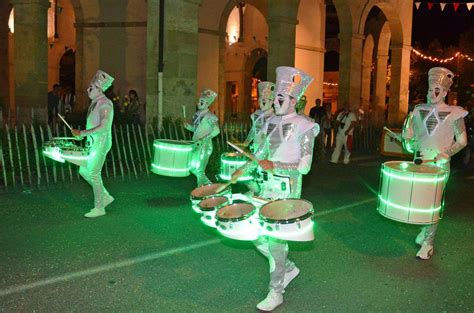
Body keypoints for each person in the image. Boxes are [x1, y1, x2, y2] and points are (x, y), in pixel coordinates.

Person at [233, 66, 318, 311]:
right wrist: (243, 171)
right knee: (256, 236)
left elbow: (304, 166)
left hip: (287, 188)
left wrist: (276, 164)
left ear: (294, 100)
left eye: (282, 97)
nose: (277, 101)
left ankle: (276, 291)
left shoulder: (306, 126)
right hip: (265, 186)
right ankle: (288, 268)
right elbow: (259, 153)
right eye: (276, 97)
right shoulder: (268, 122)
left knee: (275, 240)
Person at [402, 67, 467, 260]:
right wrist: (408, 141)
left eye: (436, 90)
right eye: (430, 90)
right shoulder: (418, 109)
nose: (432, 94)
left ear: (446, 92)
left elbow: (462, 141)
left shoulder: (455, 113)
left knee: (433, 204)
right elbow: (410, 137)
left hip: (438, 166)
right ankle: (424, 230)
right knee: (419, 201)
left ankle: (428, 243)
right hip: (419, 162)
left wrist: (447, 153)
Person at [71, 70, 115, 218]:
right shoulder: (96, 103)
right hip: (93, 142)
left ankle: (99, 207)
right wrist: (81, 136)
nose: (88, 89)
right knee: (84, 171)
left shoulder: (105, 104)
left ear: (99, 89)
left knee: (94, 174)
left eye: (91, 87)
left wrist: (82, 133)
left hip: (101, 143)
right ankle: (106, 196)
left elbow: (105, 126)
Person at [185, 89, 220, 186]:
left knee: (199, 169)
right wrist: (189, 127)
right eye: (199, 101)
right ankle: (208, 186)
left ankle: (202, 189)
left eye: (202, 101)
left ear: (208, 103)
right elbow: (196, 130)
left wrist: (205, 138)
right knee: (192, 167)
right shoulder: (196, 115)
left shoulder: (211, 117)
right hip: (195, 144)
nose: (199, 103)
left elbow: (217, 131)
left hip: (205, 145)